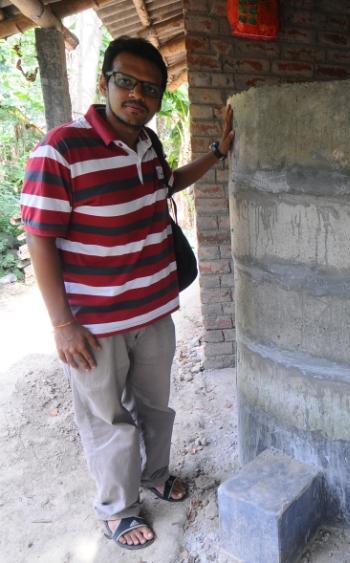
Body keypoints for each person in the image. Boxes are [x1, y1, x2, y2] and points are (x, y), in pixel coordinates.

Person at [20, 36, 233, 550]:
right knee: (107, 418)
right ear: (104, 83)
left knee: (154, 406)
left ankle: (155, 473)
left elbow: (166, 184)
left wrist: (216, 154)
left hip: (154, 310)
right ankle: (118, 509)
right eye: (127, 82)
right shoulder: (60, 149)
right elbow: (40, 237)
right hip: (93, 323)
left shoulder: (148, 144)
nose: (138, 95)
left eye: (150, 88)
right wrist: (62, 324)